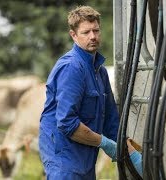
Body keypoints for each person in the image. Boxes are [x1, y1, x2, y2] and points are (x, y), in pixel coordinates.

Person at [38, 5, 119, 179]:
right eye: (86, 32)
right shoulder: (71, 68)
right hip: (63, 159)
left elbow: (111, 119)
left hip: (86, 158)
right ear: (73, 35)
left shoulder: (99, 70)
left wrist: (130, 151)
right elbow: (67, 122)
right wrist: (105, 143)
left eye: (96, 31)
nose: (93, 37)